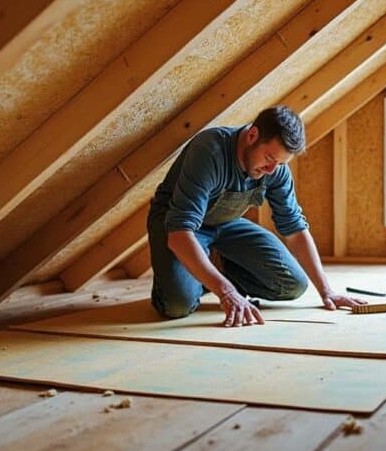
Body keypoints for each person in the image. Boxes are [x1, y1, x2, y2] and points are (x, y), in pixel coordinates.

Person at [147, 105, 366, 326]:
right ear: (252, 135)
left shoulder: (276, 170)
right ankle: (189, 276)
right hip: (177, 226)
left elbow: (295, 229)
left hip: (225, 224)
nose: (272, 170)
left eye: (280, 163)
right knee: (177, 305)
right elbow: (179, 233)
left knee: (293, 284)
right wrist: (226, 292)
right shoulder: (210, 151)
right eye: (269, 158)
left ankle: (212, 267)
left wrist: (327, 291)